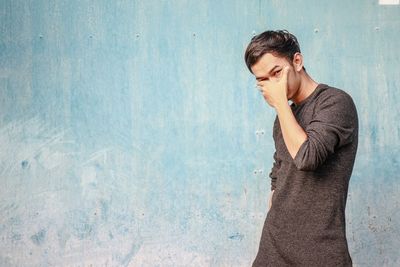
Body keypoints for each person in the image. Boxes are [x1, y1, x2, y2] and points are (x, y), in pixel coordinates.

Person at [244, 30, 358, 266]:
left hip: (320, 250)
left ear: (297, 61)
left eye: (276, 73)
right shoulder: (284, 118)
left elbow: (307, 158)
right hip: (274, 247)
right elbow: (279, 173)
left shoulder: (335, 102)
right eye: (262, 80)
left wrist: (281, 106)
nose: (271, 85)